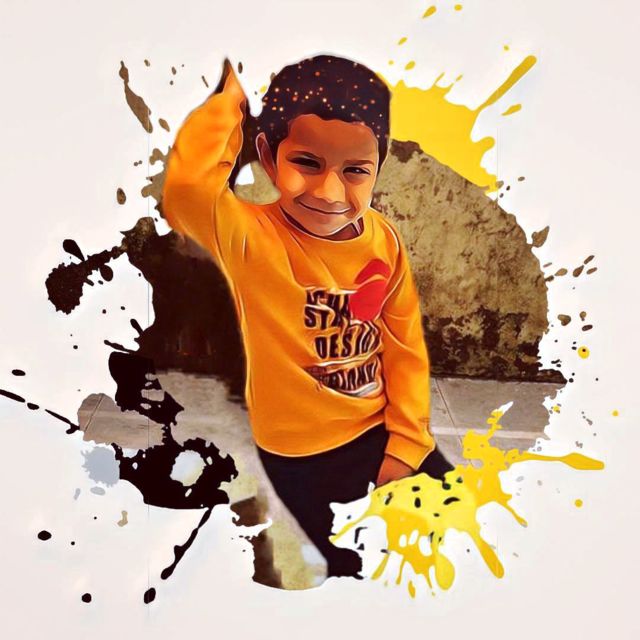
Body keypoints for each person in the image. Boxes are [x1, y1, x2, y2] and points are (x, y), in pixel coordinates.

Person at [162, 54, 453, 579]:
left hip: (383, 430)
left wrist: (407, 445)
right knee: (361, 567)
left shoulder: (384, 239)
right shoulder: (250, 238)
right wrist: (232, 99)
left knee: (455, 538)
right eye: (307, 163)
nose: (329, 192)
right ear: (268, 158)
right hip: (302, 456)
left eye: (355, 170)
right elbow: (186, 189)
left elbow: (404, 345)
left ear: (378, 167)